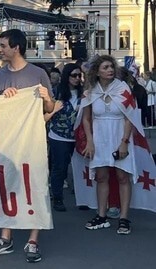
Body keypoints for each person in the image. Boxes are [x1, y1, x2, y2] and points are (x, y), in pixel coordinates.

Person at [0, 29, 53, 263]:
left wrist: (46, 98)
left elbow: (50, 109)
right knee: (6, 186)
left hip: (32, 142)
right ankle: (6, 237)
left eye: (3, 45)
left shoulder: (38, 73)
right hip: (6, 141)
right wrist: (2, 97)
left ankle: (33, 239)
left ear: (16, 48)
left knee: (35, 186)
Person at [80, 55, 138, 235]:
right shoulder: (91, 91)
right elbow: (86, 118)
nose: (110, 70)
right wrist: (90, 140)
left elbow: (130, 117)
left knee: (122, 176)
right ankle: (101, 215)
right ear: (97, 71)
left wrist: (124, 142)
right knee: (102, 176)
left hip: (119, 134)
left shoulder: (123, 88)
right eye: (105, 67)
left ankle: (124, 218)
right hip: (100, 136)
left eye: (111, 67)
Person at [44, 64, 83, 212]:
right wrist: (54, 108)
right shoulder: (56, 92)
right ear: (67, 76)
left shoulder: (84, 94)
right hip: (58, 135)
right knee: (59, 168)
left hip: (78, 136)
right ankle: (58, 197)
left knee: (79, 167)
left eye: (79, 75)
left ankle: (82, 197)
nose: (77, 78)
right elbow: (46, 112)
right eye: (74, 75)